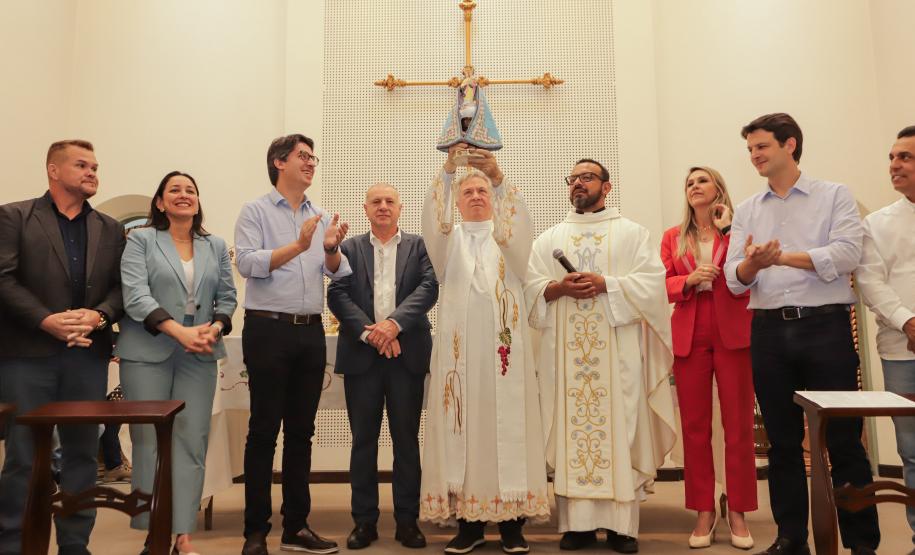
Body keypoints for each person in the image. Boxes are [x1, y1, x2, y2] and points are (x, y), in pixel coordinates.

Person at [724, 113, 879, 555]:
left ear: (789, 145)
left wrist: (783, 258)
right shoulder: (749, 209)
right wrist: (753, 263)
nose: (754, 155)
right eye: (750, 149)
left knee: (844, 438)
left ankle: (862, 542)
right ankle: (791, 536)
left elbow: (848, 254)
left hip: (825, 328)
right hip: (769, 334)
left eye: (761, 147)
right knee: (782, 441)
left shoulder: (834, 196)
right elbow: (735, 278)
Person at [525, 159, 676, 554]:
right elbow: (531, 288)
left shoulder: (631, 234)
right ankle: (576, 526)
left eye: (587, 177)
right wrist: (558, 289)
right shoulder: (549, 238)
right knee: (572, 432)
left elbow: (651, 286)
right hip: (565, 357)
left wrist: (606, 283)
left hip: (618, 351)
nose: (578, 183)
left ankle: (622, 528)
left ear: (606, 187)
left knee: (619, 428)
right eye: (573, 178)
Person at [420, 143, 548, 554]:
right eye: (467, 193)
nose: (476, 197)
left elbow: (520, 225)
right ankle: (468, 525)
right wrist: (446, 170)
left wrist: (496, 176)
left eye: (482, 192)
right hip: (459, 360)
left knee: (507, 428)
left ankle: (512, 525)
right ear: (456, 203)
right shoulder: (448, 240)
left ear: (493, 200)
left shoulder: (508, 240)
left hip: (504, 355)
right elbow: (431, 223)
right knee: (463, 429)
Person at [0, 139, 125, 555]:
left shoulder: (110, 228)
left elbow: (120, 290)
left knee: (81, 454)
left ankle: (75, 545)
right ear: (54, 170)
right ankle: (14, 544)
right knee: (22, 457)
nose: (92, 172)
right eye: (82, 165)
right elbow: (4, 280)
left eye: (95, 166)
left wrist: (98, 316)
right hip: (27, 356)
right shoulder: (15, 217)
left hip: (86, 355)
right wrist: (46, 320)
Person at [235, 134, 350, 555]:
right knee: (263, 430)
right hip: (267, 329)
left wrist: (331, 248)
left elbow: (339, 273)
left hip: (310, 332)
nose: (311, 163)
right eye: (303, 156)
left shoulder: (320, 215)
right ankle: (255, 533)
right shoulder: (256, 210)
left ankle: (296, 528)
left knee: (302, 432)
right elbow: (247, 263)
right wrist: (298, 246)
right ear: (279, 162)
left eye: (313, 157)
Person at [115, 170, 237, 555]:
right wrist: (177, 331)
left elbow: (228, 298)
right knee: (148, 441)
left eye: (190, 190)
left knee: (190, 442)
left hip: (199, 354)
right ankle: (155, 531)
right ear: (160, 202)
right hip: (147, 352)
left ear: (197, 201)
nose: (184, 195)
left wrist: (215, 326)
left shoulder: (214, 245)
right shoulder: (141, 241)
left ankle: (183, 532)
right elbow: (134, 297)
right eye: (175, 190)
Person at [327, 183, 438, 550]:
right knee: (363, 442)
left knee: (406, 441)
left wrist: (393, 325)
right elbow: (337, 293)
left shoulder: (420, 246)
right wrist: (369, 332)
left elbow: (429, 287)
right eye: (376, 201)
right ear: (366, 209)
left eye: (390, 201)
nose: (383, 206)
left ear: (400, 207)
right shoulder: (349, 249)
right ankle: (364, 521)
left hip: (406, 355)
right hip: (362, 358)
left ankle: (407, 521)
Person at [659, 167, 756, 549]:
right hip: (690, 331)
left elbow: (752, 272)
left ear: (718, 187)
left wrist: (729, 228)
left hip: (733, 330)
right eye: (688, 183)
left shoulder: (738, 228)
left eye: (702, 180)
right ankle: (704, 509)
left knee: (738, 426)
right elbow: (661, 283)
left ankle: (738, 509)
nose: (694, 186)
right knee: (695, 428)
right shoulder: (672, 237)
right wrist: (688, 280)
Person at [856, 125, 915, 549]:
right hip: (903, 352)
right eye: (892, 158)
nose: (895, 165)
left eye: (905, 157)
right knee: (913, 453)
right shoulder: (877, 223)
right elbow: (871, 283)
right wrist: (909, 323)